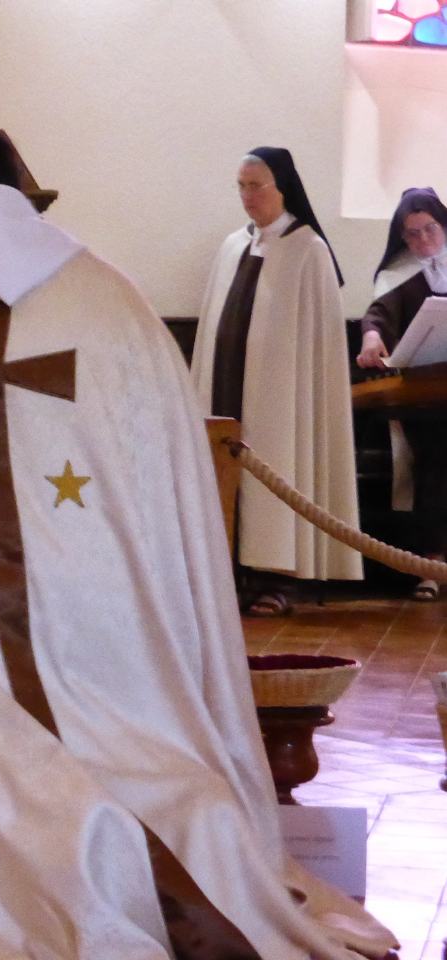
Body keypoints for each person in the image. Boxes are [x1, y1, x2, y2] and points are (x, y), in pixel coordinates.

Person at [0, 124, 396, 960]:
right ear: (22, 192)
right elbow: (165, 479)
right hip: (96, 629)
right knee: (140, 751)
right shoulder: (108, 294)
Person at [191, 147, 362, 617]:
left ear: (282, 187)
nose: (247, 196)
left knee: (279, 467)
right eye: (241, 186)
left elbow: (318, 345)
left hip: (282, 399)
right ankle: (230, 574)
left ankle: (277, 578)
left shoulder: (308, 249)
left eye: (256, 186)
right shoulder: (233, 245)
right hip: (226, 387)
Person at [356, 186, 447, 601]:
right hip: (424, 397)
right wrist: (372, 338)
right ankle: (432, 563)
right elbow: (377, 316)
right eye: (412, 233)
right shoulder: (399, 274)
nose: (423, 239)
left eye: (430, 229)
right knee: (435, 458)